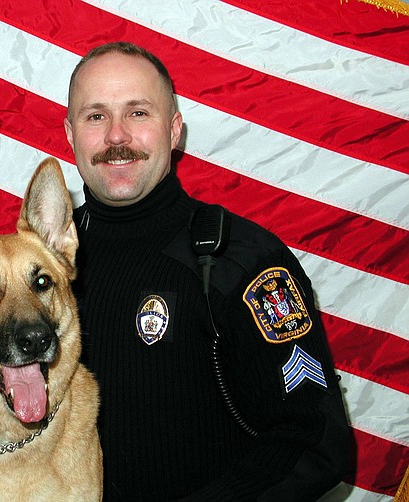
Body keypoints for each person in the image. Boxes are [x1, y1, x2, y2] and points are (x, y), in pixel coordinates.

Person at [64, 42, 351, 501]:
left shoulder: (242, 261)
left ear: (174, 130)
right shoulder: (40, 268)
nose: (117, 136)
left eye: (138, 113)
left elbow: (316, 443)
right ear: (70, 132)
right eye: (95, 116)